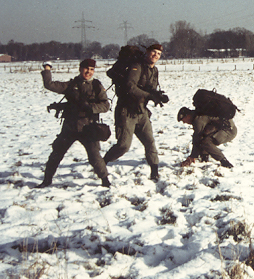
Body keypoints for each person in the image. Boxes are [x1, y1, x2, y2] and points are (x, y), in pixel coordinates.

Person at [38, 59, 111, 188]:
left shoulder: (96, 86)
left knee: (95, 156)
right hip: (70, 127)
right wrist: (47, 69)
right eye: (86, 69)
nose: (88, 72)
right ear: (80, 69)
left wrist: (91, 107)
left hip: (89, 127)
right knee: (57, 153)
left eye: (92, 69)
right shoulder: (71, 85)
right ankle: (47, 180)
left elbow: (105, 105)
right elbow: (49, 84)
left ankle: (105, 180)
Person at [103, 44, 168, 181]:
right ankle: (103, 162)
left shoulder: (154, 70)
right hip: (127, 111)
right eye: (153, 52)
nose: (155, 55)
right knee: (124, 145)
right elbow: (130, 87)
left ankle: (154, 171)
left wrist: (158, 96)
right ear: (147, 52)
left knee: (150, 142)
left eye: (158, 54)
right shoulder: (137, 66)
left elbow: (150, 88)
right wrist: (149, 96)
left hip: (142, 111)